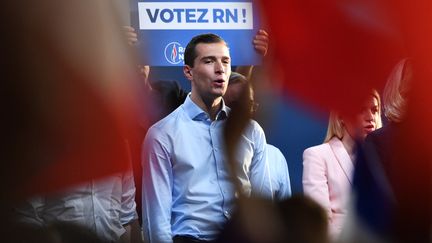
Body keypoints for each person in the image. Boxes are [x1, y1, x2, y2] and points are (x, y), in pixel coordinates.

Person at [141, 33, 272, 243]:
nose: (220, 69)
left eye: (225, 61)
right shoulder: (162, 134)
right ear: (188, 72)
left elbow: (264, 205)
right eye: (209, 61)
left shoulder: (251, 131)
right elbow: (157, 222)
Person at [302, 90, 382, 238]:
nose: (370, 117)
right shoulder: (317, 155)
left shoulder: (382, 159)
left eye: (374, 110)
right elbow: (320, 222)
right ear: (341, 117)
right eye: (361, 110)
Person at [224, 72, 292, 201]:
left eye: (248, 105)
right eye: (235, 106)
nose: (243, 114)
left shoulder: (276, 157)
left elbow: (286, 209)